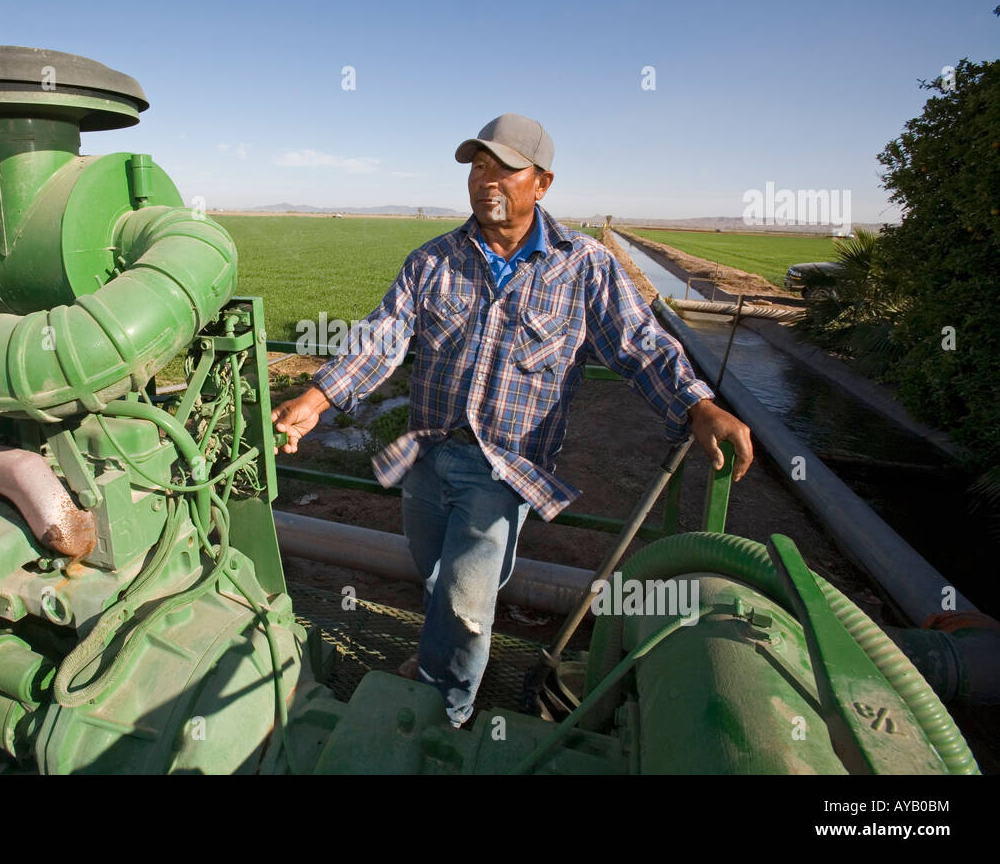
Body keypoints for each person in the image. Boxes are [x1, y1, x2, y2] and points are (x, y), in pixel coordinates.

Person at [271, 112, 753, 729]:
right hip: (424, 453)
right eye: (477, 167)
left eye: (504, 169)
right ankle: (436, 667)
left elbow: (641, 345)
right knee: (436, 576)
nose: (486, 181)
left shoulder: (583, 266)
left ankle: (446, 716)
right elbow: (382, 336)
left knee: (466, 598)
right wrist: (314, 400)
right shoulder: (434, 261)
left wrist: (699, 406)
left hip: (504, 467)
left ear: (542, 183)